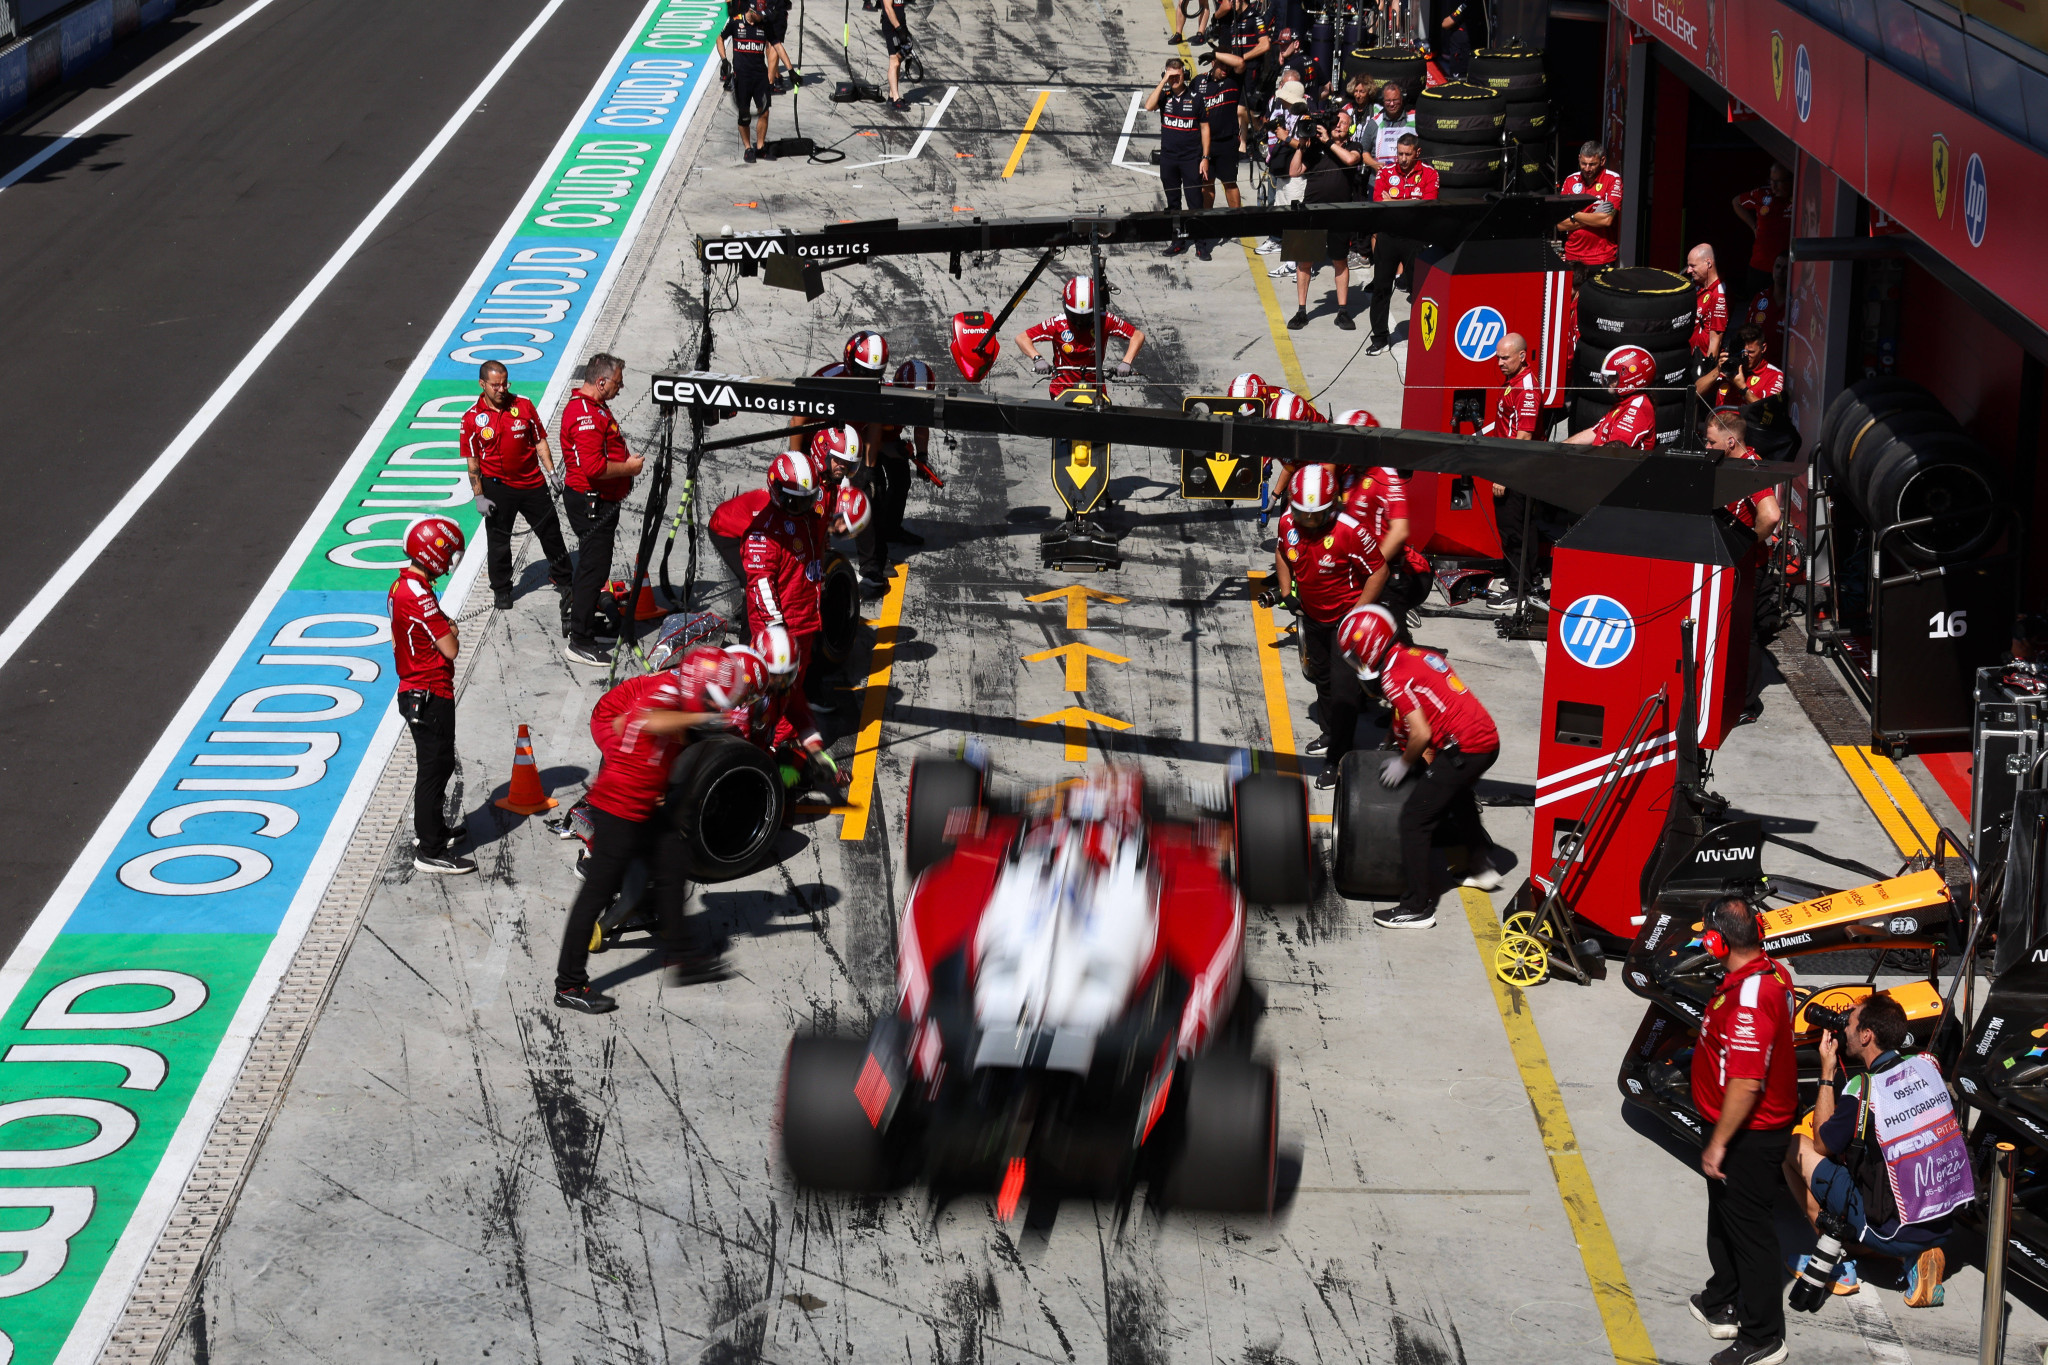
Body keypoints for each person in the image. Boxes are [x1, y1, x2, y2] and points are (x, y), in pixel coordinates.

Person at [554, 645, 759, 1014]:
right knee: (595, 895)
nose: (713, 710)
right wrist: (699, 722)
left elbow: (638, 729)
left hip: (643, 802)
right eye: (711, 703)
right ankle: (568, 984)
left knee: (673, 865)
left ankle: (684, 959)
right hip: (620, 807)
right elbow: (647, 721)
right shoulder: (667, 694)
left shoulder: (679, 691)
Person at [1781, 992, 1958, 1316]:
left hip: (1890, 1230)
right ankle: (1916, 1257)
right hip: (1942, 1218)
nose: (1844, 1029)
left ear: (1866, 1035)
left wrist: (1826, 1072)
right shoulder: (1927, 1064)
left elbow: (1823, 1144)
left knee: (1794, 1147)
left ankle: (1840, 1265)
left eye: (1848, 1023)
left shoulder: (1861, 1089)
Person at [1337, 604, 1504, 927]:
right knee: (1458, 796)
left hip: (1465, 749)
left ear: (1369, 648)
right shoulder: (1417, 656)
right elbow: (1419, 708)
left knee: (1414, 820)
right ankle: (1482, 869)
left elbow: (1422, 732)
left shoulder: (1393, 676)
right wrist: (1393, 737)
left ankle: (1416, 906)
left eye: (1356, 654)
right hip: (1486, 739)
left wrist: (1403, 762)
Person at [1685, 896, 1798, 1365]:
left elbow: (1747, 1083)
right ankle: (1722, 1300)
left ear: (1718, 941)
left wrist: (1719, 1143)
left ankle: (1763, 1337)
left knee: (1751, 1235)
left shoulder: (1751, 999)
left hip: (1747, 1135)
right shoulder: (1772, 973)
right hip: (1742, 1129)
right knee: (1726, 1218)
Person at [1268, 465, 1387, 789]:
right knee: (1320, 678)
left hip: (1344, 621)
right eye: (1302, 515)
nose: (1307, 523)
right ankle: (1330, 732)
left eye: (1315, 516)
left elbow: (1378, 571)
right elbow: (1282, 553)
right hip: (1311, 616)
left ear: (1331, 506)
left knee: (1344, 692)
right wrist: (1285, 591)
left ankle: (1338, 760)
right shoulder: (1289, 523)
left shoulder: (1350, 530)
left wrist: (1357, 614)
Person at [391, 516, 474, 876]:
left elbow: (400, 639)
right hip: (430, 693)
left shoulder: (399, 587)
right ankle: (430, 850)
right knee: (434, 770)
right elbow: (451, 648)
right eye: (450, 552)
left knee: (434, 768)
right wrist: (448, 630)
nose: (452, 560)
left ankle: (434, 831)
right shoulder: (421, 596)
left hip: (413, 688)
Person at [463, 360, 570, 616]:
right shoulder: (470, 419)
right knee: (498, 542)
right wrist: (479, 496)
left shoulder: (523, 405)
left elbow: (540, 441)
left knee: (551, 532)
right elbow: (473, 462)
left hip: (533, 483)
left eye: (505, 383)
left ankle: (565, 579)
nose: (501, 389)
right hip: (497, 488)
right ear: (482, 384)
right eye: (495, 385)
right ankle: (502, 589)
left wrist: (552, 473)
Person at [560, 354, 645, 666]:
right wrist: (629, 468)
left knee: (595, 567)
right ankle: (579, 640)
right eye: (618, 383)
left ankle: (587, 623)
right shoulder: (586, 415)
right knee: (592, 569)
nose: (620, 389)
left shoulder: (592, 407)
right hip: (591, 502)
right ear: (601, 381)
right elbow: (595, 468)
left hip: (594, 501)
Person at [1708, 411, 1783, 726]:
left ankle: (1747, 704)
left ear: (1730, 441)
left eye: (1711, 441)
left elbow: (1771, 515)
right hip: (1731, 563)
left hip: (1748, 567)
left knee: (1745, 635)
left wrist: (1749, 542)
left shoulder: (1752, 467)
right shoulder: (1732, 464)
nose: (1706, 446)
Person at [742, 451, 833, 709]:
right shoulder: (763, 532)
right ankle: (767, 741)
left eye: (806, 500)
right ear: (777, 491)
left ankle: (785, 739)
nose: (801, 507)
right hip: (781, 629)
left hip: (804, 621)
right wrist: (777, 628)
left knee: (794, 687)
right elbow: (760, 584)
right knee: (771, 692)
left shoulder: (807, 519)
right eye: (794, 501)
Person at [1333, 411, 1432, 631]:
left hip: (1399, 573)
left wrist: (1372, 569)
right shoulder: (1351, 473)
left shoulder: (1385, 476)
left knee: (1385, 642)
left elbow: (1399, 530)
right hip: (1364, 569)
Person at [1287, 107, 1365, 331]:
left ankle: (1342, 311)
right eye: (1336, 122)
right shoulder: (1316, 148)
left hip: (1340, 213)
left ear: (1349, 128)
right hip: (1311, 211)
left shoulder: (1354, 146)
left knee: (1339, 260)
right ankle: (1301, 310)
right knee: (1304, 261)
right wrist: (1302, 146)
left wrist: (1329, 141)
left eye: (1344, 122)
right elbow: (1294, 172)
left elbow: (1350, 160)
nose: (1339, 125)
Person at [1485, 333, 1544, 609]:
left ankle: (1519, 589)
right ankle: (1522, 582)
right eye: (1497, 357)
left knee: (1514, 530)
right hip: (1510, 465)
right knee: (1517, 528)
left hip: (1517, 470)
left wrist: (1504, 475)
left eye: (1505, 357)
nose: (1499, 363)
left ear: (1522, 356)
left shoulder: (1526, 389)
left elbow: (1524, 437)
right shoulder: (1515, 382)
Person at [1366, 134, 1438, 356]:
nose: (1403, 159)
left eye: (1407, 154)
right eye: (1399, 153)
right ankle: (1379, 337)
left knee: (1419, 291)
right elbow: (1379, 201)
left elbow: (1427, 206)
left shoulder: (1430, 173)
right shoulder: (1386, 172)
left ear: (1417, 153)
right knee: (1381, 287)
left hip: (1415, 240)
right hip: (1388, 238)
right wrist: (1408, 204)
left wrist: (1395, 202)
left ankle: (1422, 337)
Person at [1016, 278, 1145, 398]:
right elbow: (1022, 338)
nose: (1080, 321)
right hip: (1061, 390)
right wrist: (1037, 358)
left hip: (1096, 389)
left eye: (1086, 316)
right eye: (1075, 316)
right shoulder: (1057, 324)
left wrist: (1126, 362)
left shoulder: (1104, 320)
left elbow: (1137, 335)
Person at [1147, 60, 1207, 255]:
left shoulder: (1197, 98)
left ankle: (1200, 243)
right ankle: (1177, 241)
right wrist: (1164, 80)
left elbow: (1205, 129)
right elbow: (1148, 106)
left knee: (1195, 202)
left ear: (1185, 75)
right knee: (1173, 203)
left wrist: (1205, 157)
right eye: (1170, 76)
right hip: (1169, 159)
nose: (1174, 79)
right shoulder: (1164, 96)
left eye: (1177, 76)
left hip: (1191, 159)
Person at [1565, 345, 1659, 451]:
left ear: (1630, 378)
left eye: (1613, 377)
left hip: (1620, 465)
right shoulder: (1624, 402)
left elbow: (1613, 449)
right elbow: (1595, 432)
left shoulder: (1637, 408)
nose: (1608, 381)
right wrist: (1560, 448)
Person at [1194, 49, 1245, 245]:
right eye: (1221, 65)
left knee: (1230, 183)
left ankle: (1236, 224)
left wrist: (1215, 53)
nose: (1226, 69)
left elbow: (1239, 62)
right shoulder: (1199, 81)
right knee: (1207, 183)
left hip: (1227, 142)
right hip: (1206, 143)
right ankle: (1208, 222)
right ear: (1214, 64)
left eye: (1227, 65)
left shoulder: (1234, 79)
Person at [1210, 0, 1271, 157]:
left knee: (1241, 109)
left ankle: (1261, 129)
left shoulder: (1255, 17)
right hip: (1235, 68)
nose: (1230, 3)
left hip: (1251, 68)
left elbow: (1265, 45)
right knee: (1238, 107)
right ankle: (1242, 145)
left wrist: (1243, 56)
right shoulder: (1232, 18)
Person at [716, 3, 774, 163]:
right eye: (760, 13)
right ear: (751, 10)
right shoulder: (736, 22)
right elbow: (720, 38)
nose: (762, 16)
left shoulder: (765, 24)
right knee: (744, 116)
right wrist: (724, 60)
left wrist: (782, 71)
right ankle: (748, 148)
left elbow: (775, 46)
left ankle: (760, 148)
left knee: (765, 112)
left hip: (760, 76)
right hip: (742, 77)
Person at [1558, 143, 1622, 285]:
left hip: (1601, 257)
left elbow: (1606, 220)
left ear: (1603, 161)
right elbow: (1560, 225)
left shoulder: (1613, 179)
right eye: (1583, 163)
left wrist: (1573, 214)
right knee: (1571, 302)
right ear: (1579, 159)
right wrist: (1594, 215)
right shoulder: (1570, 180)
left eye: (1592, 164)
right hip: (1573, 256)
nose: (1587, 168)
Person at [1731, 164, 1793, 307]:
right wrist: (1753, 226)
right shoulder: (1763, 195)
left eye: (1779, 182)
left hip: (1785, 270)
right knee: (1756, 309)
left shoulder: (1799, 199)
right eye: (1771, 181)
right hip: (1759, 268)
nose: (1774, 186)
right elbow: (1736, 202)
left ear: (1791, 181)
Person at [1698, 323, 1785, 412]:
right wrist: (1718, 369)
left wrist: (1742, 388)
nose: (1745, 356)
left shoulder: (1774, 375)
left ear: (1763, 348)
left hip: (1746, 425)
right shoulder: (1730, 364)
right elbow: (1695, 393)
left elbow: (1770, 412)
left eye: (1751, 352)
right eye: (1742, 352)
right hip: (1718, 423)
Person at [1351, 79, 1415, 172]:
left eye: (1395, 100)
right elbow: (1364, 151)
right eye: (1388, 101)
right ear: (1383, 101)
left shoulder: (1413, 119)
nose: (1392, 104)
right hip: (1379, 180)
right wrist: (1375, 164)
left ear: (1402, 99)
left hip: (1408, 180)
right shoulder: (1375, 122)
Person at [1686, 243, 1729, 363]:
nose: (1689, 270)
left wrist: (1708, 371)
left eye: (1692, 266)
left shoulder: (1719, 293)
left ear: (1708, 263)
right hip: (1690, 358)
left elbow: (1716, 340)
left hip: (1702, 362)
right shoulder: (1698, 286)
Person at [879, 0, 913, 111]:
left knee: (899, 59)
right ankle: (896, 100)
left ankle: (892, 96)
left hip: (900, 25)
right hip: (892, 27)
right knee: (894, 61)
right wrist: (898, 28)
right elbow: (888, 9)